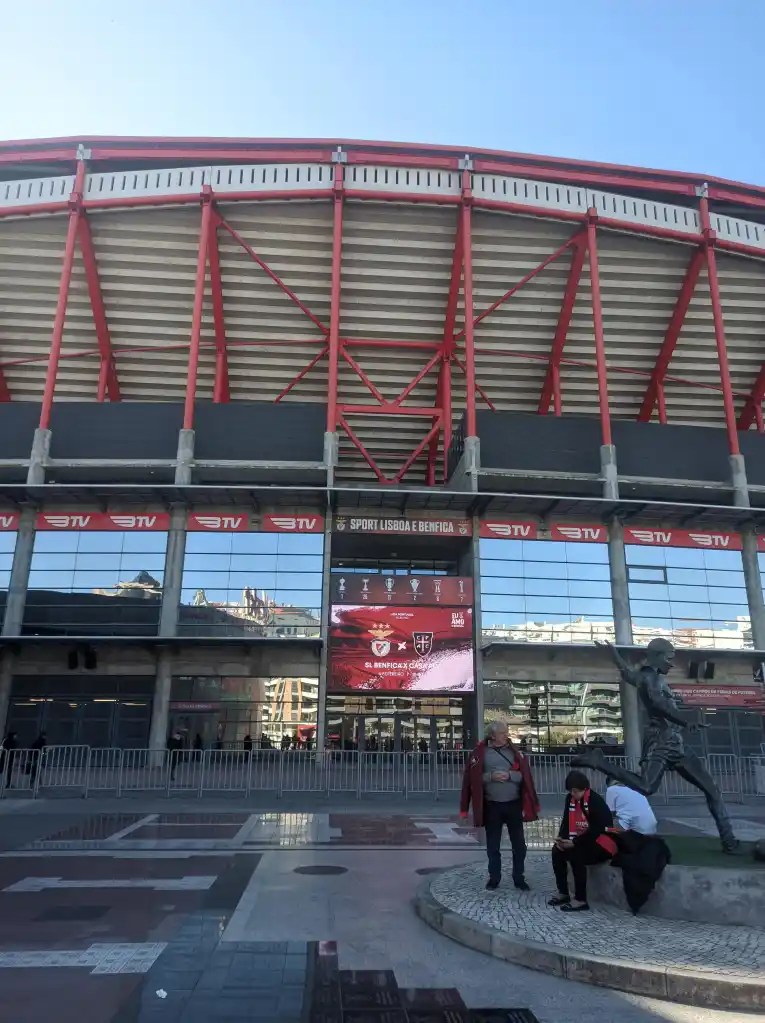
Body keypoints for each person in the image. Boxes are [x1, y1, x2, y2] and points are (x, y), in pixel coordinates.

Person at [573, 639, 738, 852]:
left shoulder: (647, 676)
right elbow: (658, 704)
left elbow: (626, 673)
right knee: (647, 787)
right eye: (669, 658)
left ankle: (729, 841)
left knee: (712, 789)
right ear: (657, 656)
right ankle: (600, 762)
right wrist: (686, 721)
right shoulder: (649, 678)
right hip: (663, 740)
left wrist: (613, 653)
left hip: (675, 741)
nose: (672, 664)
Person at [460, 721, 540, 891]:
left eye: (506, 732)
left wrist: (510, 775)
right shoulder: (480, 754)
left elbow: (525, 777)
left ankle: (519, 877)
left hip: (513, 805)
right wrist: (490, 776)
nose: (506, 735)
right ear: (493, 735)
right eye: (503, 732)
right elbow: (472, 779)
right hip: (492, 806)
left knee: (519, 844)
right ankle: (494, 878)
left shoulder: (515, 753)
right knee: (493, 845)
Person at [549, 770, 617, 912]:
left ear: (583, 789)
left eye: (575, 791)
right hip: (581, 839)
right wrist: (562, 839)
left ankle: (580, 899)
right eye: (571, 791)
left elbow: (597, 829)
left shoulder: (595, 802)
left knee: (576, 855)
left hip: (601, 842)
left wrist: (575, 843)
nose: (572, 794)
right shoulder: (571, 799)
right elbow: (567, 821)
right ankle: (563, 892)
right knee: (557, 852)